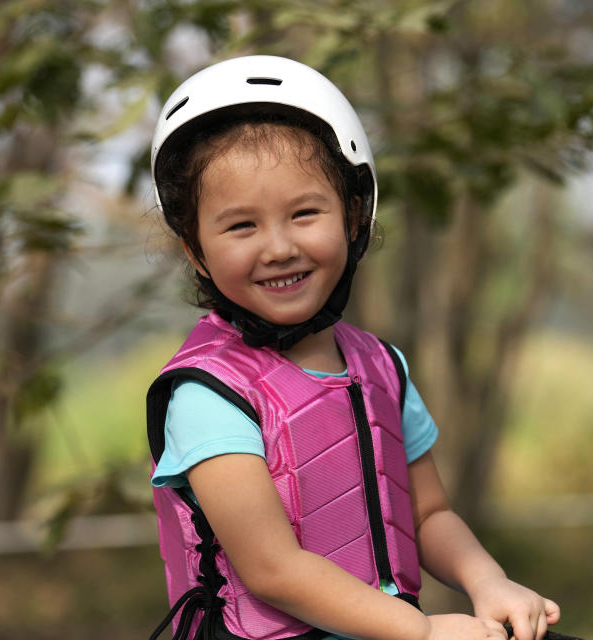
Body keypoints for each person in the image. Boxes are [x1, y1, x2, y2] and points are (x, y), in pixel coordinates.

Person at [145, 55, 561, 640]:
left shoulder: (382, 367)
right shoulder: (208, 395)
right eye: (242, 226)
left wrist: (489, 583)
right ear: (195, 250)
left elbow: (429, 513)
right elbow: (273, 570)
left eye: (305, 213)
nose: (279, 247)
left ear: (355, 215)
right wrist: (423, 632)